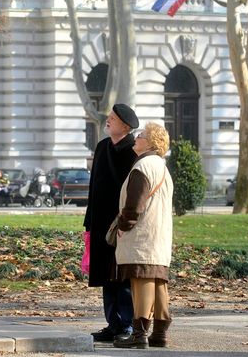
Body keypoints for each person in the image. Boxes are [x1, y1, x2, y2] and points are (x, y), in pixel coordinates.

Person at [112, 122, 174, 349]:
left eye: (141, 135)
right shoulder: (162, 167)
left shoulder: (143, 166)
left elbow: (134, 205)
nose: (136, 137)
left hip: (142, 234)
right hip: (159, 235)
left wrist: (123, 224)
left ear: (150, 142)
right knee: (158, 283)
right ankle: (159, 334)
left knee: (141, 281)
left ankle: (139, 335)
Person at [83, 103, 140, 343]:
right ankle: (112, 323)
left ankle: (126, 323)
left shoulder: (133, 151)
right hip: (100, 223)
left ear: (125, 126)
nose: (108, 120)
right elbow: (93, 188)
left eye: (113, 118)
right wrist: (88, 223)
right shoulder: (102, 146)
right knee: (106, 276)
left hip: (122, 224)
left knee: (123, 276)